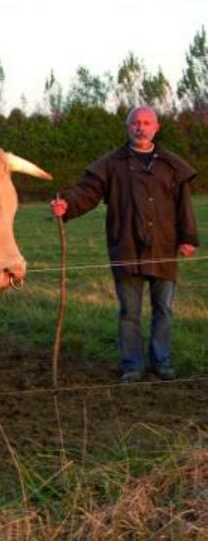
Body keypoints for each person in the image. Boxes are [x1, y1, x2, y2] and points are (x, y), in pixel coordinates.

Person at [50, 106, 199, 382]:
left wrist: (188, 238)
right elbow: (87, 191)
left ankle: (161, 362)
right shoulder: (112, 163)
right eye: (135, 123)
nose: (140, 128)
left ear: (156, 127)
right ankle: (133, 365)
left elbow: (184, 206)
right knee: (129, 312)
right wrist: (67, 204)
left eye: (146, 123)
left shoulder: (171, 164)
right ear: (127, 127)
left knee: (163, 310)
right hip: (126, 247)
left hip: (164, 249)